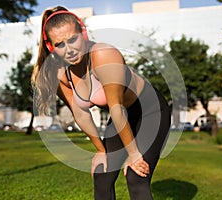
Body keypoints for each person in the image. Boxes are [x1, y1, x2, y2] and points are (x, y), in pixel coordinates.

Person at [32, 6, 171, 200]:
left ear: (83, 33)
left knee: (136, 176)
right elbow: (79, 113)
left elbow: (116, 107)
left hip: (150, 110)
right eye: (60, 44)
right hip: (122, 117)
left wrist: (134, 154)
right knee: (102, 175)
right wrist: (100, 150)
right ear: (51, 47)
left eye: (73, 39)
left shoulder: (104, 55)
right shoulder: (59, 74)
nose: (69, 49)